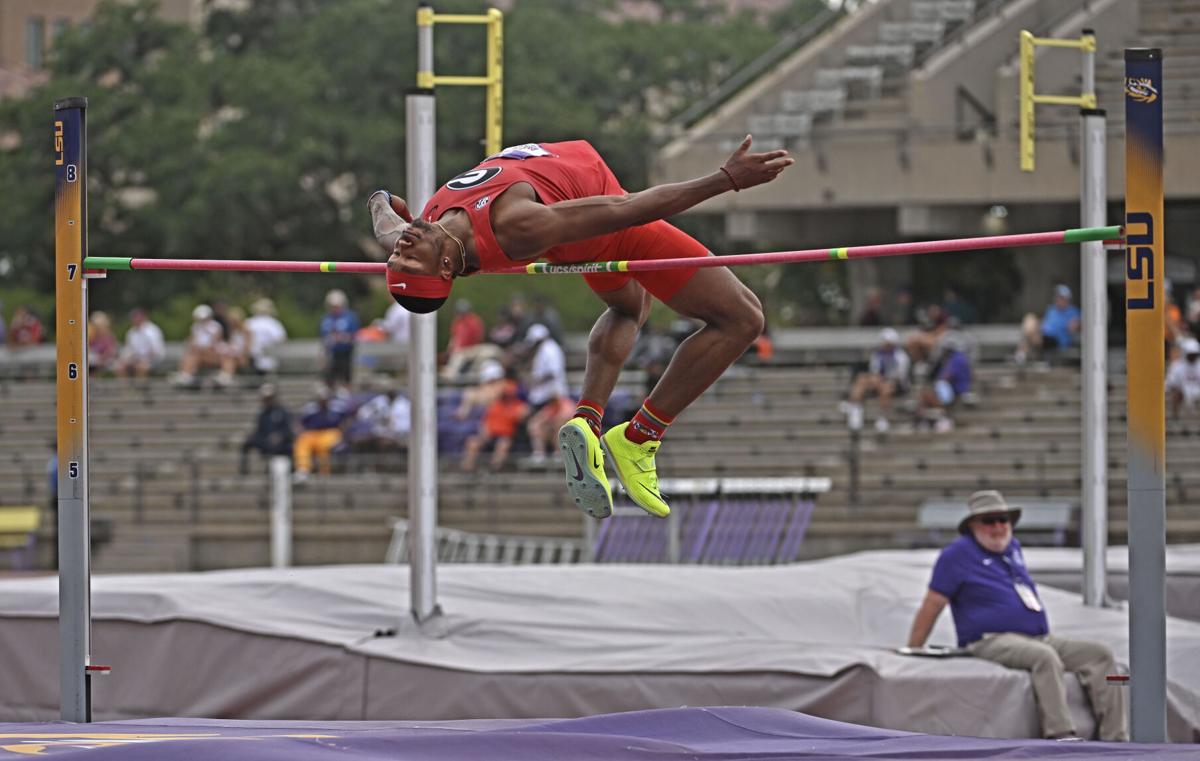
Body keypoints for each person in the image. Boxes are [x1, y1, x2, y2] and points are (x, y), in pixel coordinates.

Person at [370, 136, 791, 519]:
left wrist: (383, 199)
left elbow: (383, 218)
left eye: (397, 258)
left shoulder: (417, 234)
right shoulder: (517, 226)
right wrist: (726, 180)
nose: (402, 249)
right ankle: (641, 436)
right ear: (446, 266)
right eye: (408, 259)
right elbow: (624, 210)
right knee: (743, 318)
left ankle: (588, 420)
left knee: (628, 309)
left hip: (576, 212)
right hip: (606, 221)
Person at [906, 490, 1128, 741]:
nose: (998, 526)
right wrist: (913, 648)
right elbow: (933, 604)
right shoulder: (955, 555)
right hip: (990, 639)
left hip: (1038, 636)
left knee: (1101, 655)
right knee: (1044, 658)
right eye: (989, 521)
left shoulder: (1012, 548)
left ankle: (1117, 736)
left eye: (1003, 519)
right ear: (972, 526)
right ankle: (1061, 734)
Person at [840, 327, 910, 433]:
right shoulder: (877, 355)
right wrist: (875, 379)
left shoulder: (901, 356)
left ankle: (882, 418)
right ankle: (856, 412)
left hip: (896, 385)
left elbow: (900, 377)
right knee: (862, 379)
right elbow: (875, 371)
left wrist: (882, 380)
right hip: (879, 381)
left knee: (885, 387)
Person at [460, 373, 529, 473]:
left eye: (508, 393)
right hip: (489, 435)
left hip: (505, 436)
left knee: (503, 444)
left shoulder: (518, 406)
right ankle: (467, 471)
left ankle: (493, 470)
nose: (506, 394)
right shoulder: (494, 404)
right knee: (472, 442)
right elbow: (484, 421)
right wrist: (483, 432)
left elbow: (524, 414)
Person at [292, 384, 350, 483]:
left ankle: (324, 471)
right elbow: (298, 423)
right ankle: (303, 469)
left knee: (323, 445)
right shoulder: (310, 408)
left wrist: (343, 432)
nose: (323, 401)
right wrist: (300, 431)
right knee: (302, 441)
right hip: (313, 433)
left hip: (330, 432)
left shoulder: (337, 407)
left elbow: (346, 420)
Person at [915, 334, 971, 432]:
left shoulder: (957, 358)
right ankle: (924, 418)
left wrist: (936, 382)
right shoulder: (956, 357)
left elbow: (947, 376)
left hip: (957, 390)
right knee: (927, 392)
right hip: (954, 388)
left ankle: (941, 417)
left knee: (930, 392)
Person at [1017, 284, 1080, 364]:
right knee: (1030, 318)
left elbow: (1074, 327)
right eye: (1057, 296)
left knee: (1029, 335)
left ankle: (1021, 354)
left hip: (1057, 340)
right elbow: (1045, 323)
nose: (1058, 299)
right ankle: (1021, 354)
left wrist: (1074, 325)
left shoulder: (1072, 311)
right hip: (1044, 337)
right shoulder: (1052, 310)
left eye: (1061, 297)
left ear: (1067, 299)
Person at [239, 384, 294, 474]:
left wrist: (280, 436)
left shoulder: (283, 412)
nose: (267, 401)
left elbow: (289, 430)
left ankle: (272, 468)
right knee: (248, 442)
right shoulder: (263, 414)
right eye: (265, 398)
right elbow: (259, 430)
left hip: (282, 443)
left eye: (269, 398)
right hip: (266, 440)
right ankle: (244, 470)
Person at [173, 304, 224, 387]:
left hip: (212, 354)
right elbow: (191, 342)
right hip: (198, 353)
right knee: (191, 354)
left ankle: (185, 374)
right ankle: (185, 374)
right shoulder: (195, 327)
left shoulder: (215, 326)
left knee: (194, 354)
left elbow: (215, 343)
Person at [320, 289, 359, 388]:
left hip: (346, 352)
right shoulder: (326, 318)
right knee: (329, 378)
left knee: (346, 377)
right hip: (331, 353)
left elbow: (355, 335)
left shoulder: (350, 317)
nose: (335, 308)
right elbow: (323, 336)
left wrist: (342, 338)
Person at [115, 308, 165, 379]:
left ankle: (140, 389)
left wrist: (142, 359)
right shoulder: (131, 332)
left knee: (141, 367)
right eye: (134, 317)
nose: (135, 320)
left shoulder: (152, 331)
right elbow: (129, 349)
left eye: (137, 317)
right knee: (120, 367)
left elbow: (155, 351)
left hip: (154, 359)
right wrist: (126, 359)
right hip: (137, 359)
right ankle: (125, 389)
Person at [245, 298, 288, 374]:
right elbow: (281, 339)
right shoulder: (272, 323)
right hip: (267, 358)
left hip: (250, 357)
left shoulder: (249, 322)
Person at [1166, 337, 1200, 420]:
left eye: (1194, 354)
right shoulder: (1177, 366)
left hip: (1198, 391)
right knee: (1176, 393)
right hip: (1183, 392)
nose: (1192, 356)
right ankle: (1175, 417)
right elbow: (1170, 382)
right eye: (1190, 354)